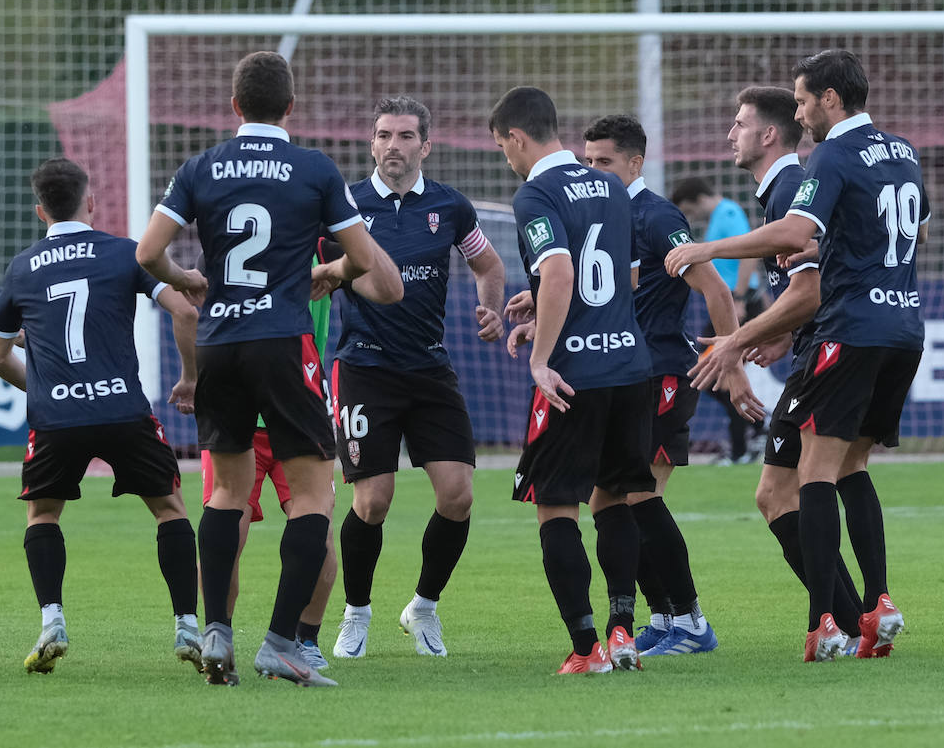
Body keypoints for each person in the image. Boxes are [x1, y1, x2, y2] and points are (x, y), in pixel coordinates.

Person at [135, 51, 400, 687]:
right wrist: (330, 273)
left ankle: (218, 634)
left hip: (221, 342)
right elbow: (362, 259)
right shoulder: (313, 168)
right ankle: (283, 642)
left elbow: (148, 253)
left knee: (226, 494)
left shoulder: (201, 166)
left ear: (234, 107)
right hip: (283, 341)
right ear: (290, 107)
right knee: (310, 497)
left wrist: (189, 278)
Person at [666, 50, 928, 661]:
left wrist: (706, 253)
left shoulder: (828, 156)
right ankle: (875, 604)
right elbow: (913, 234)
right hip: (903, 327)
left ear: (831, 100)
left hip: (846, 332)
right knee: (849, 467)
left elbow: (795, 236)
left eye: (806, 99)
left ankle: (826, 624)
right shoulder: (904, 152)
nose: (802, 111)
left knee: (812, 476)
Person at [0, 157, 204, 674]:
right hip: (122, 410)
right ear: (91, 202)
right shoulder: (125, 254)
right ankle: (187, 627)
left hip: (56, 420)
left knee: (43, 516)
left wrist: (43, 391)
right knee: (170, 510)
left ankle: (52, 621)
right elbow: (186, 311)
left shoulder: (21, 267)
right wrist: (190, 378)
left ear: (40, 210)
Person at [578, 113, 763, 657]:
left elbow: (716, 291)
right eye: (587, 161)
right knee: (606, 502)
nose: (594, 171)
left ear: (635, 163)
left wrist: (730, 363)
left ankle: (691, 621)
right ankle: (664, 617)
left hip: (660, 372)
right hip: (618, 375)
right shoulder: (597, 215)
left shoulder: (656, 216)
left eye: (604, 162)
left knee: (638, 496)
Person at [327, 96, 505, 661]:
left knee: (458, 495)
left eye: (406, 136)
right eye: (384, 135)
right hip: (363, 368)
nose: (393, 146)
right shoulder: (345, 206)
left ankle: (423, 608)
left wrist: (490, 308)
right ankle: (356, 614)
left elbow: (489, 265)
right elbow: (302, 266)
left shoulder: (450, 207)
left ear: (426, 145)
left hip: (430, 368)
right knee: (372, 501)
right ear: (371, 142)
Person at [688, 86, 868, 647]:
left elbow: (812, 292)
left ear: (768, 135)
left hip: (828, 358)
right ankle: (853, 617)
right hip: (821, 351)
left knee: (781, 493)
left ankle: (839, 622)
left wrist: (735, 342)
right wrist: (777, 332)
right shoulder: (779, 191)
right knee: (781, 493)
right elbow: (805, 287)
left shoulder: (790, 188)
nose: (729, 134)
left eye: (739, 123)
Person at [491, 86, 653, 674]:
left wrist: (541, 354)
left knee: (556, 506)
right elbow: (621, 279)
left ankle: (585, 649)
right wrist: (539, 305)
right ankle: (622, 632)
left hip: (575, 378)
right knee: (615, 498)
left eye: (503, 146)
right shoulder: (612, 186)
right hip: (630, 368)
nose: (506, 157)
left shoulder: (535, 193)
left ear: (516, 137)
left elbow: (560, 273)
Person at [197, 257, 340, 673]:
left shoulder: (322, 244)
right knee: (236, 534)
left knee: (319, 541)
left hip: (283, 406)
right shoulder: (312, 242)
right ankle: (225, 637)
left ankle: (301, 639)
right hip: (266, 409)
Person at [671, 177, 765, 464]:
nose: (691, 217)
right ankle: (756, 431)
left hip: (736, 305)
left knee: (716, 374)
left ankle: (744, 445)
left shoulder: (728, 212)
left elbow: (750, 251)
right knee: (709, 375)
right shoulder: (720, 217)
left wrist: (739, 298)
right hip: (733, 303)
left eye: (689, 210)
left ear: (698, 199)